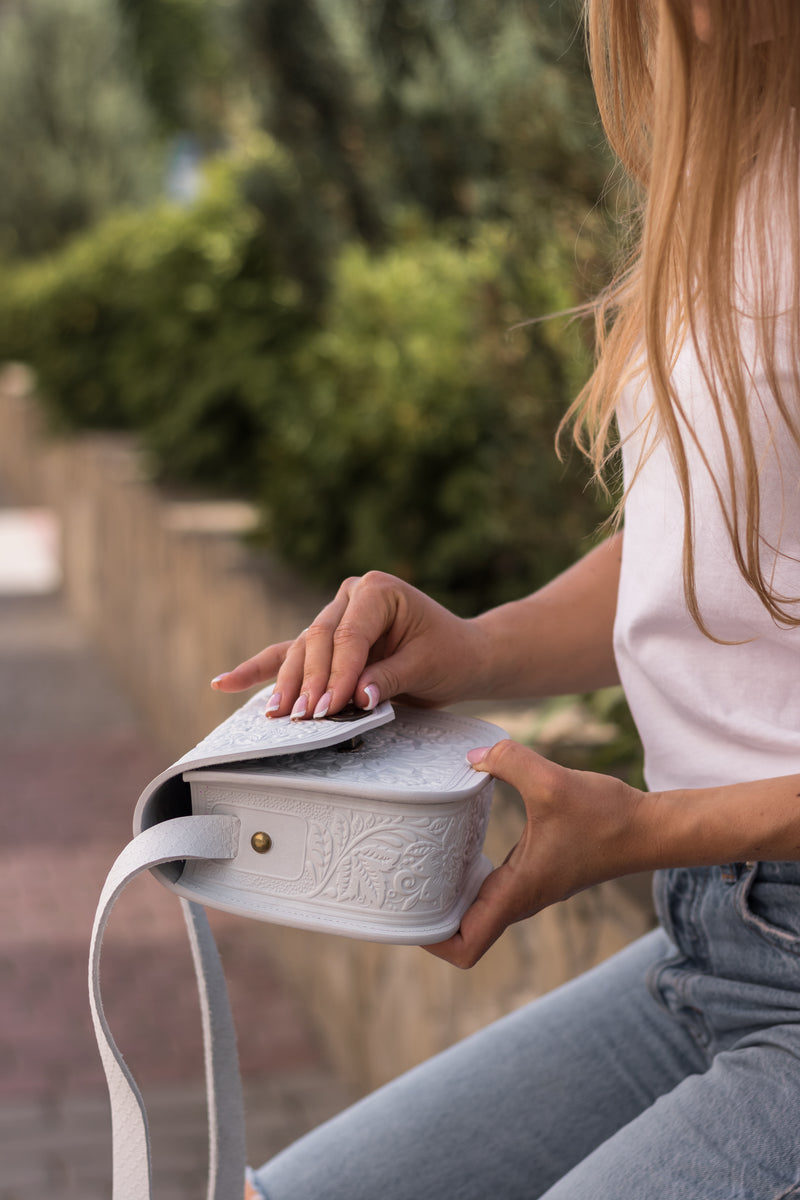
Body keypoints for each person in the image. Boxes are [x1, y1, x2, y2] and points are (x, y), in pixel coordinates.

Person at [212, 2, 800, 1195]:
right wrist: (469, 648)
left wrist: (642, 831)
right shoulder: (742, 167)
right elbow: (708, 568)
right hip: (711, 946)